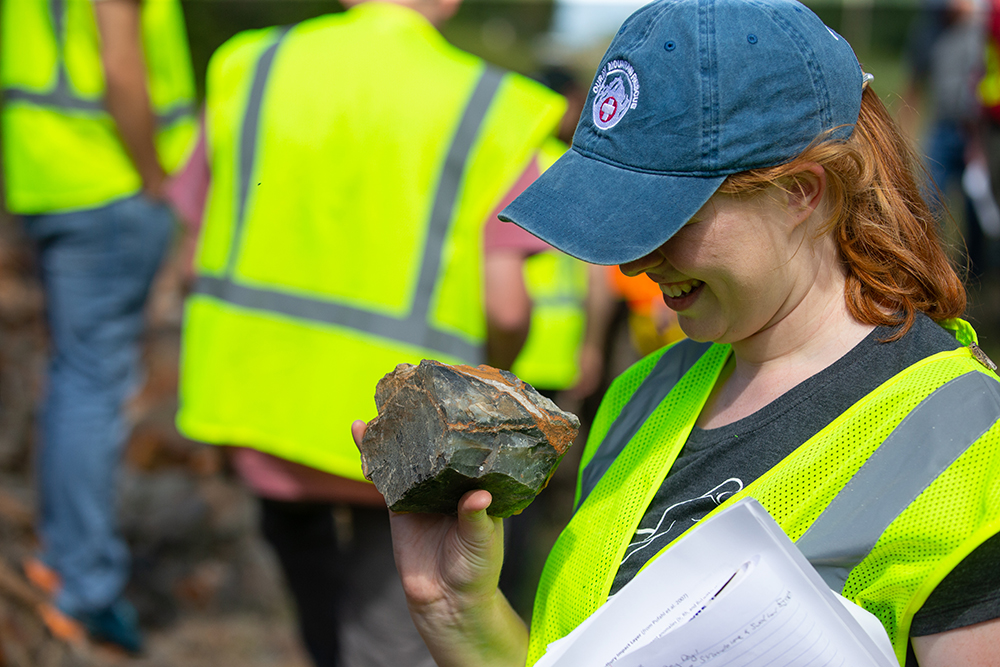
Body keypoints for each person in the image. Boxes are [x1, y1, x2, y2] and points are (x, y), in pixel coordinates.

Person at [352, 1, 1000, 666]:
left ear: (803, 191)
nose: (633, 261)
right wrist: (463, 616)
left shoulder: (970, 445)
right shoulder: (641, 395)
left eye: (670, 217)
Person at [174, 1, 564, 665]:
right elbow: (505, 307)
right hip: (413, 440)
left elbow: (191, 252)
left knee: (315, 602)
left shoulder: (250, 66)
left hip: (264, 412)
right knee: (392, 633)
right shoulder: (493, 106)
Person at [0, 0, 197, 652]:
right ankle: (83, 583)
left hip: (48, 176)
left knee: (74, 375)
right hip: (108, 180)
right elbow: (120, 61)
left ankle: (64, 556)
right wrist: (153, 178)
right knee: (92, 383)